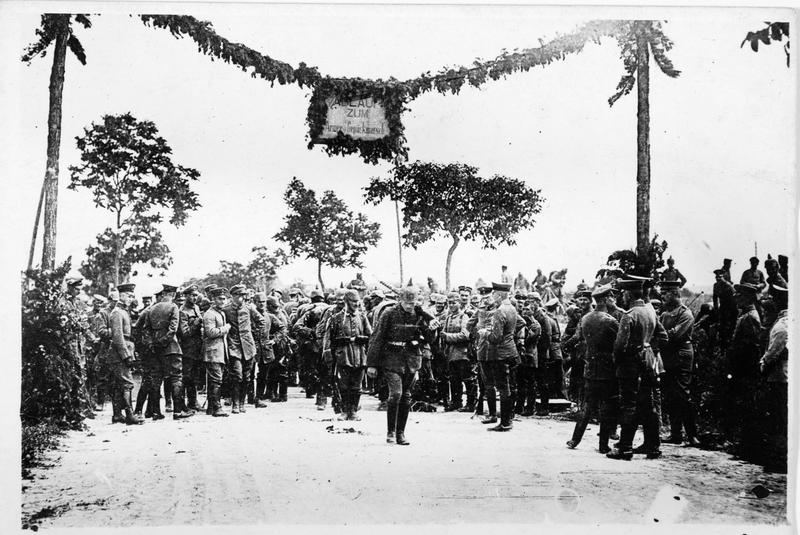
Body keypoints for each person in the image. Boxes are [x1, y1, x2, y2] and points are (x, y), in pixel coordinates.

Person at [367, 286, 439, 445]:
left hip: (412, 360)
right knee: (396, 394)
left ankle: (401, 433)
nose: (409, 306)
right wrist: (371, 364)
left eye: (412, 303)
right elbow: (377, 338)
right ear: (400, 300)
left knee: (406, 397)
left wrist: (433, 330)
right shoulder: (389, 314)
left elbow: (428, 339)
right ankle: (390, 431)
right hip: (392, 360)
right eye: (407, 303)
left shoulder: (419, 314)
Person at [606, 279, 668, 460]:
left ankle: (625, 448)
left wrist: (619, 362)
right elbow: (663, 337)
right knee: (648, 404)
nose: (622, 296)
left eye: (623, 293)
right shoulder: (650, 311)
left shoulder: (630, 315)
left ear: (628, 294)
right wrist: (648, 348)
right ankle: (653, 447)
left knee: (628, 404)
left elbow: (619, 346)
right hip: (649, 362)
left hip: (631, 364)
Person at [566, 285, 619, 452]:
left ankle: (575, 440)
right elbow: (618, 344)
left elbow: (578, 339)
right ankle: (603, 446)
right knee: (606, 406)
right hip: (607, 369)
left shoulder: (585, 319)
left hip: (590, 368)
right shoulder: (610, 321)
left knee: (587, 406)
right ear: (604, 299)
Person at [658, 281, 699, 447]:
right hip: (668, 357)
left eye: (665, 293)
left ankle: (692, 435)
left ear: (675, 294)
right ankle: (675, 433)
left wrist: (661, 335)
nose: (662, 296)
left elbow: (674, 335)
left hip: (681, 356)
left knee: (682, 394)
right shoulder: (665, 313)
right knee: (670, 395)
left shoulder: (685, 314)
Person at [145, 284, 194, 420]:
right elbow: (173, 329)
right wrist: (164, 342)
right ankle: (178, 412)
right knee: (176, 377)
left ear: (162, 294)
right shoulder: (173, 307)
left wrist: (155, 343)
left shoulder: (151, 309)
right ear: (172, 295)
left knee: (156, 379)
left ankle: (156, 412)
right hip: (171, 348)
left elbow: (146, 330)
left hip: (156, 349)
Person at [725, 282, 763, 458]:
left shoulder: (751, 317)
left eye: (738, 295)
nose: (735, 298)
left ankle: (748, 447)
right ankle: (744, 444)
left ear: (747, 297)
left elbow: (752, 347)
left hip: (745, 369)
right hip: (741, 368)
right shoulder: (746, 315)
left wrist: (737, 364)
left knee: (747, 405)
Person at [323, 289, 371, 420]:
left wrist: (362, 339)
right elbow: (328, 338)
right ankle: (344, 411)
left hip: (360, 355)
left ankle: (354, 411)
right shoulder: (336, 318)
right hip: (343, 355)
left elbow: (370, 335)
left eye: (357, 301)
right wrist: (328, 355)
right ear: (346, 301)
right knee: (343, 385)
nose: (356, 304)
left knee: (357, 386)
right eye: (353, 301)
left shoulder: (362, 317)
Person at [478, 282, 520, 432]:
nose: (493, 297)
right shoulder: (513, 308)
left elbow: (496, 337)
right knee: (508, 387)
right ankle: (508, 420)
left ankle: (505, 423)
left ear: (500, 295)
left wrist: (485, 333)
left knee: (503, 388)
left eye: (495, 294)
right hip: (512, 352)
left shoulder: (499, 311)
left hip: (501, 354)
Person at [758, 285, 788, 473]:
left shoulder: (782, 326)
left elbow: (772, 354)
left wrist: (762, 366)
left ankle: (779, 460)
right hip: (782, 377)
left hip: (779, 378)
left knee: (778, 419)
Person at [223, 284, 265, 414]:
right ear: (233, 296)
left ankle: (241, 403)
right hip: (233, 345)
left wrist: (253, 335)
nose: (241, 298)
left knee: (247, 377)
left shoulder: (249, 309)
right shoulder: (226, 310)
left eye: (242, 295)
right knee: (237, 375)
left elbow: (262, 321)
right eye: (238, 295)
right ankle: (235, 403)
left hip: (248, 346)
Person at [109, 283, 144, 425]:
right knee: (127, 383)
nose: (131, 298)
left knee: (119, 384)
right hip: (120, 353)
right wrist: (126, 355)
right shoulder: (117, 312)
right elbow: (118, 337)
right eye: (128, 296)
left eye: (132, 296)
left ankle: (117, 415)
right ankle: (129, 414)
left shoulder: (123, 312)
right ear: (121, 295)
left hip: (124, 350)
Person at [440, 292, 475, 412]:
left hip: (462, 353)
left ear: (459, 303)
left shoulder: (463, 317)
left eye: (454, 303)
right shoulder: (449, 317)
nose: (451, 305)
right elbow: (443, 333)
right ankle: (456, 402)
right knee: (454, 380)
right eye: (449, 303)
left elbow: (465, 335)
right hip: (451, 353)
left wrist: (448, 337)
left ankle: (470, 404)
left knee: (467, 379)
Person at [292, 290, 328, 404]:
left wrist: (311, 332)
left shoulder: (308, 310)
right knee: (325, 369)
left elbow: (296, 326)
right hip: (327, 344)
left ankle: (311, 391)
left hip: (311, 344)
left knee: (310, 368)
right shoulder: (330, 309)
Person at [203, 287, 230, 417]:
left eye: (224, 298)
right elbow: (210, 332)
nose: (223, 301)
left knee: (215, 380)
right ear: (214, 299)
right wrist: (225, 328)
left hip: (220, 351)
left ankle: (211, 408)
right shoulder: (209, 314)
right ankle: (217, 407)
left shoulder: (220, 313)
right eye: (220, 298)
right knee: (216, 380)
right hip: (213, 352)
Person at [178, 285, 204, 412]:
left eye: (196, 295)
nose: (195, 298)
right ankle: (182, 404)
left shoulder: (197, 308)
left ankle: (193, 402)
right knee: (186, 377)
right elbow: (185, 333)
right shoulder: (182, 311)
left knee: (195, 377)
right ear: (186, 296)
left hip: (197, 348)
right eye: (192, 295)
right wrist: (197, 323)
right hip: (187, 349)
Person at [529, 292, 552, 415]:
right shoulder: (532, 315)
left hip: (541, 354)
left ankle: (544, 407)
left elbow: (547, 337)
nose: (531, 303)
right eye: (529, 301)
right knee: (533, 380)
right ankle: (533, 406)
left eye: (533, 301)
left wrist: (542, 352)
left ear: (538, 302)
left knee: (542, 381)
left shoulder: (542, 317)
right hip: (534, 353)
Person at [544, 298, 566, 400]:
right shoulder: (550, 319)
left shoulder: (551, 318)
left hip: (554, 350)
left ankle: (557, 397)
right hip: (554, 351)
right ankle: (557, 398)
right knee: (556, 376)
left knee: (555, 375)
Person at [712, 268, 737, 351]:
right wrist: (716, 309)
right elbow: (715, 298)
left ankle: (729, 347)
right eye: (717, 277)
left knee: (729, 328)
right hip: (722, 308)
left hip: (731, 309)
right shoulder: (715, 286)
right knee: (721, 328)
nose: (718, 278)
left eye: (720, 277)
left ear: (723, 277)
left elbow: (735, 298)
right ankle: (722, 347)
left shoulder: (728, 285)